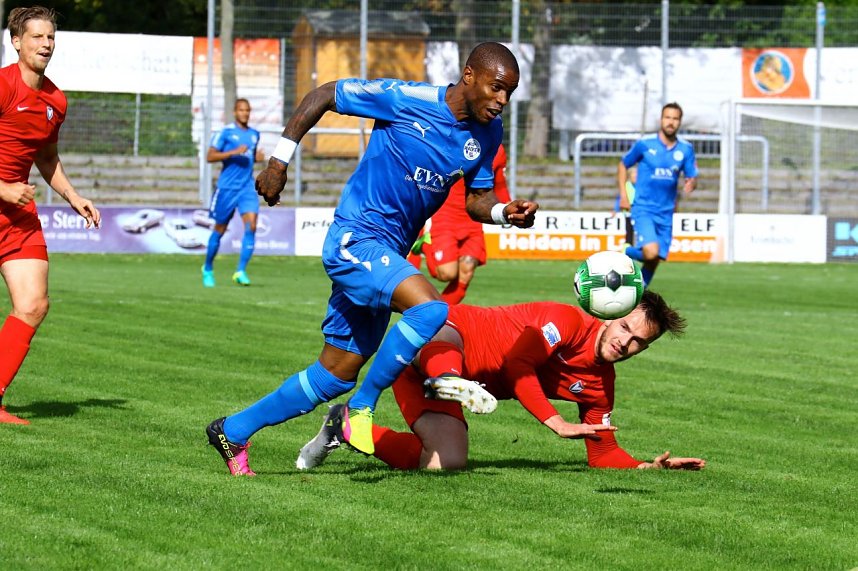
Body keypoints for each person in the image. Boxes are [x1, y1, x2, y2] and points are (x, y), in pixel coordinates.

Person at [205, 42, 539, 476]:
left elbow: (477, 199)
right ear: (470, 75)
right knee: (431, 309)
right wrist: (278, 163)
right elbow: (324, 93)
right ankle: (360, 408)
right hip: (356, 238)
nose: (502, 101)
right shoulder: (406, 99)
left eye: (510, 93)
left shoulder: (487, 135)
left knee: (335, 373)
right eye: (497, 88)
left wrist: (502, 213)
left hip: (388, 254)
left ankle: (233, 430)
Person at [297, 290, 706, 472]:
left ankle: (344, 426)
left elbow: (603, 453)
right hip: (441, 336)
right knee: (444, 338)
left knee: (445, 464)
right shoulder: (565, 321)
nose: (626, 342)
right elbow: (518, 369)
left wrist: (649, 465)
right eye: (625, 329)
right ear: (611, 313)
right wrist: (555, 421)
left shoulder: (600, 385)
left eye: (639, 343)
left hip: (446, 379)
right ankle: (448, 380)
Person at [0, 6, 101, 425]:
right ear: (16, 42)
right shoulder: (3, 86)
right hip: (7, 196)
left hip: (17, 218)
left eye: (51, 37)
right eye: (37, 36)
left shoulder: (55, 100)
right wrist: (2, 187)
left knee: (34, 303)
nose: (46, 44)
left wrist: (73, 196)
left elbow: (46, 156)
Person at [409, 144, 510, 305]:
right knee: (447, 274)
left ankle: (441, 320)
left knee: (467, 270)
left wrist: (507, 208)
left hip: (474, 217)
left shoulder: (496, 147)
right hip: (444, 213)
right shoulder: (457, 137)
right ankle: (424, 243)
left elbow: (499, 183)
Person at [617, 102, 698, 288]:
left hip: (667, 211)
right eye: (667, 117)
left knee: (655, 259)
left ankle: (636, 296)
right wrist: (624, 194)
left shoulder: (685, 149)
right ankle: (628, 250)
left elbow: (692, 176)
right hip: (644, 207)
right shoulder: (645, 144)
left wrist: (691, 183)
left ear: (680, 122)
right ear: (661, 120)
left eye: (675, 118)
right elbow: (623, 164)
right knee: (651, 252)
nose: (671, 122)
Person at [201, 98, 265, 287]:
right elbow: (210, 156)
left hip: (247, 187)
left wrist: (257, 158)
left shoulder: (254, 134)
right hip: (227, 188)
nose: (245, 113)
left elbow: (249, 156)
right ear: (235, 112)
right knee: (219, 229)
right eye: (241, 110)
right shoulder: (225, 132)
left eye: (247, 110)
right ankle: (208, 268)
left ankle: (240, 271)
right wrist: (233, 152)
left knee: (252, 225)